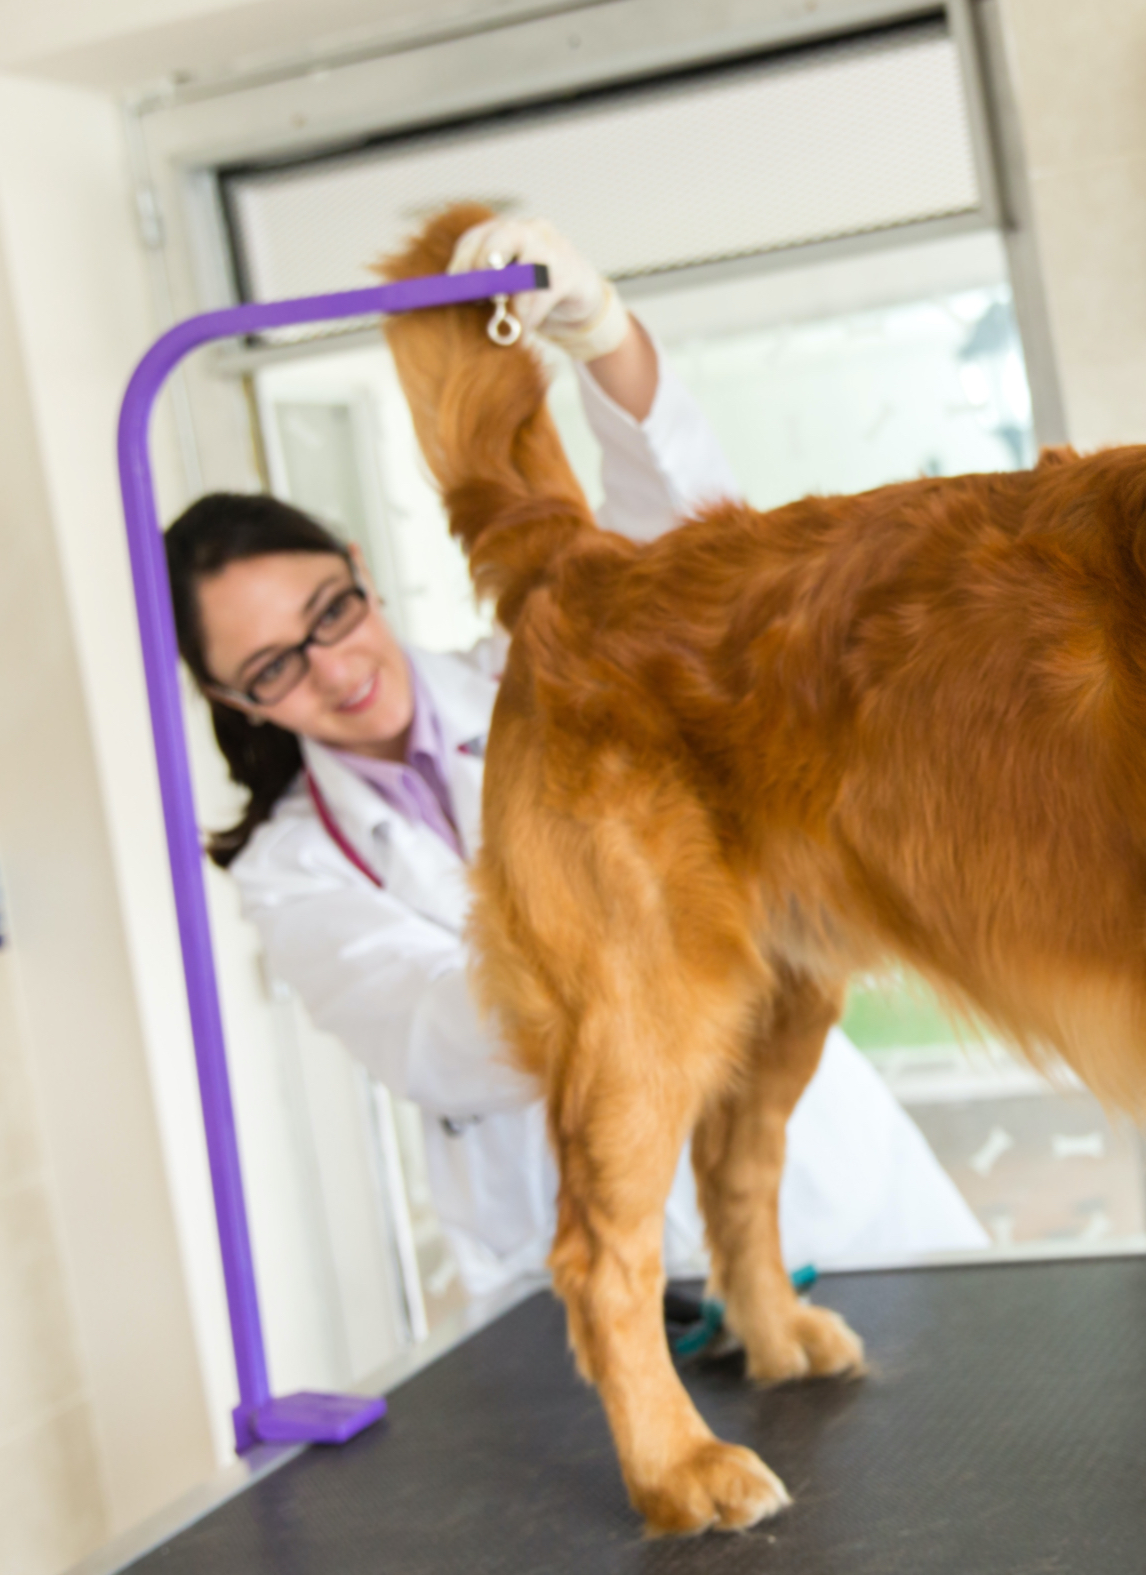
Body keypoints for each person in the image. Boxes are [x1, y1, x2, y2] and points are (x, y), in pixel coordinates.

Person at [166, 216, 987, 1300]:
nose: (332, 665)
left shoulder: (542, 666)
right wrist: (621, 937)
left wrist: (606, 340)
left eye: (332, 610)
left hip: (833, 1209)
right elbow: (427, 1040)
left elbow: (684, 559)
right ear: (232, 700)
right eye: (272, 667)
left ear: (361, 569)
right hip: (583, 1271)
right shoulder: (292, 866)